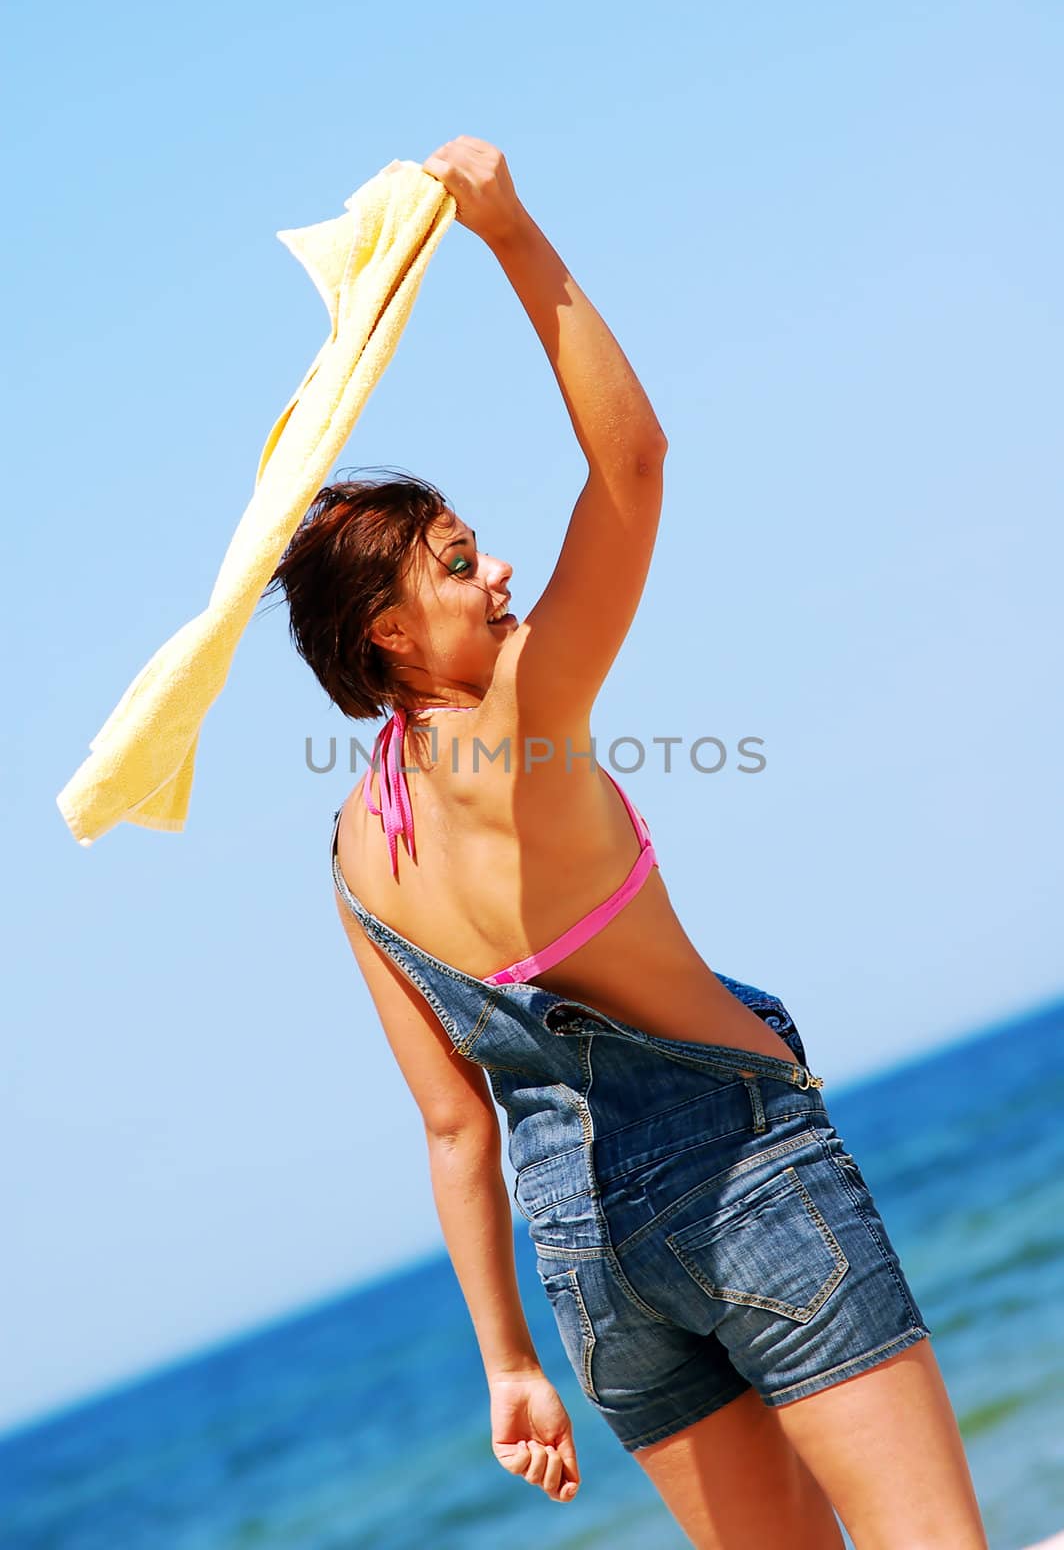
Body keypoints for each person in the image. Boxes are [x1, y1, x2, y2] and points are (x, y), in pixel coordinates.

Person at [266, 137, 988, 1549]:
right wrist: (512, 234)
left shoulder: (358, 853)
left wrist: (509, 1363)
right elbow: (635, 462)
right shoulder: (519, 720)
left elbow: (453, 1122)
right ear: (392, 637)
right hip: (743, 1185)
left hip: (591, 1275)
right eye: (462, 563)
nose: (504, 571)